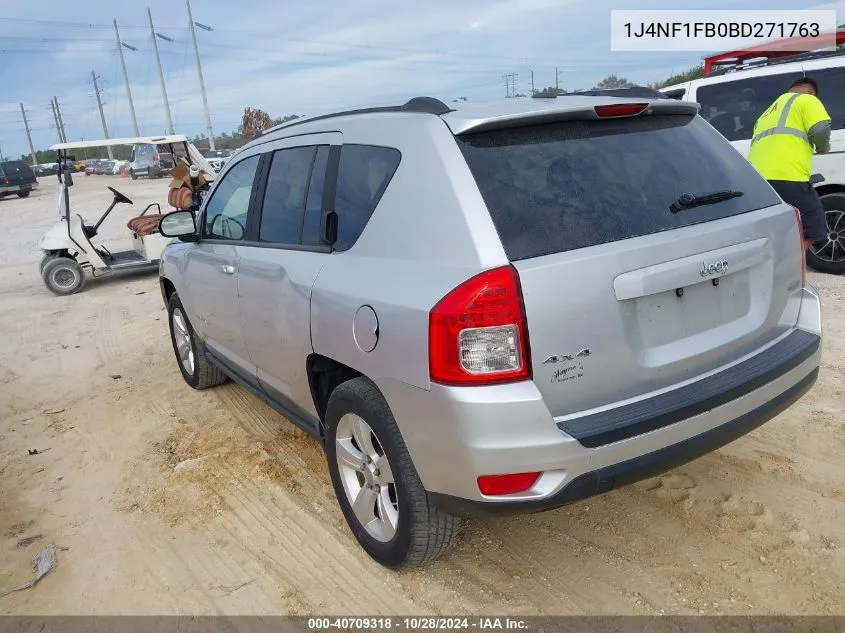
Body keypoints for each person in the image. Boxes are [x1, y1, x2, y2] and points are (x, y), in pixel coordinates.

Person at [747, 77, 831, 250]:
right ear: (810, 92)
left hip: (758, 183)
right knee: (814, 228)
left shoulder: (766, 113)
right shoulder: (807, 99)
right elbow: (820, 128)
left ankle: (773, 267)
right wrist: (822, 147)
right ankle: (787, 270)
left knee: (777, 231)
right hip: (789, 177)